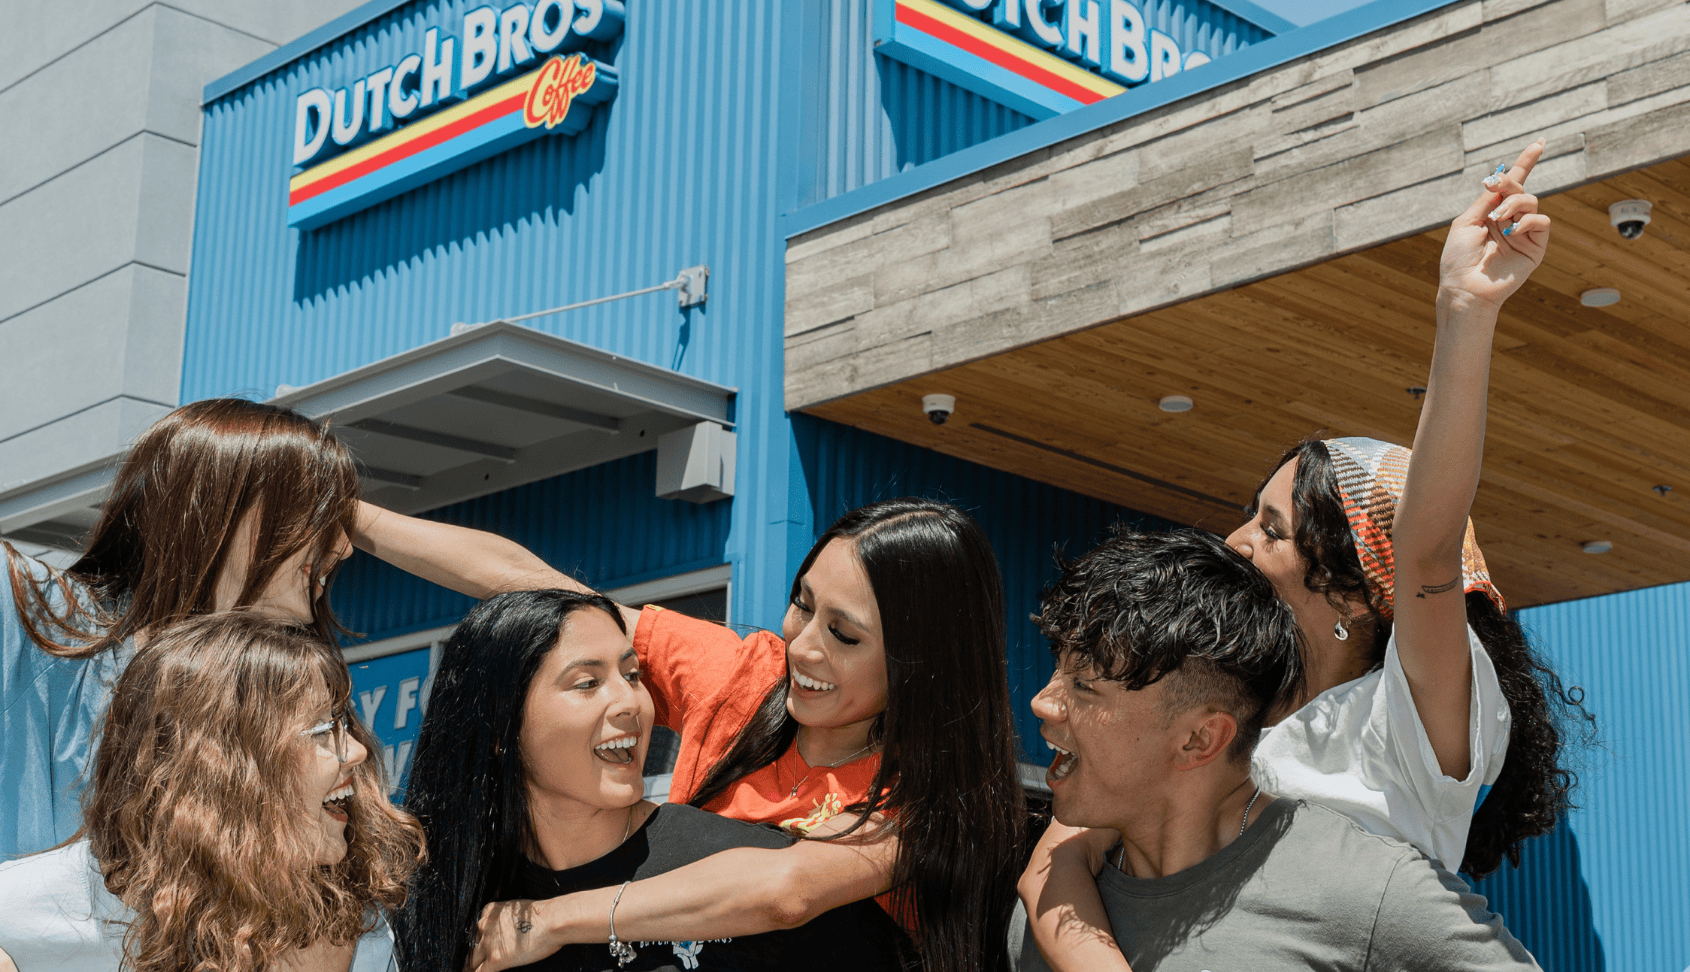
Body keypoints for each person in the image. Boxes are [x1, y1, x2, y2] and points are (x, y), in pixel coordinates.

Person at [1019, 138, 1587, 969]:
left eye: (1274, 530)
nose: (1237, 542)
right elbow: (1056, 859)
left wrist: (1464, 311)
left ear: (1358, 596)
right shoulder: (1216, 703)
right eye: (1249, 516)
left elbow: (1426, 549)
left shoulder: (1405, 731)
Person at [361, 498, 1027, 972]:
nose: (801, 644)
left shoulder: (942, 797)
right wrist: (351, 518)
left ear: (925, 664)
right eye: (802, 602)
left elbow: (783, 890)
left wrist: (551, 921)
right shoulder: (752, 680)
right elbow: (539, 591)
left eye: (844, 635)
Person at [0, 357, 378, 869]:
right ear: (224, 509)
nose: (345, 546)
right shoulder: (51, 632)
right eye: (316, 511)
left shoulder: (303, 702)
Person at [1012, 530, 1540, 971]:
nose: (1042, 703)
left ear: (1200, 739)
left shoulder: (1363, 891)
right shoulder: (1047, 906)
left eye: (1083, 687)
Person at [0, 612, 425, 972]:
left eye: (345, 725)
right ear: (222, 769)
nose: (355, 752)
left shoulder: (365, 920)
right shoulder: (9, 912)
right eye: (323, 732)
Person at [394, 588, 907, 972]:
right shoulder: (454, 898)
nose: (632, 703)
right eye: (588, 683)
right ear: (500, 728)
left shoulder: (748, 873)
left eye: (633, 674)